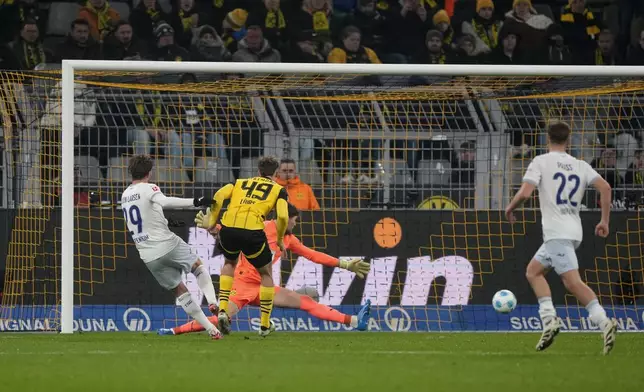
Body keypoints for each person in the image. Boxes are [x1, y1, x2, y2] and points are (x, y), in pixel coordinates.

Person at [157, 203, 371, 336]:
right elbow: (232, 231)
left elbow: (313, 255)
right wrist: (214, 227)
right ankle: (175, 330)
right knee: (222, 317)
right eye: (294, 221)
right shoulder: (259, 226)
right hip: (241, 285)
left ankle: (354, 321)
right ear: (284, 219)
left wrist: (345, 265)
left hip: (263, 287)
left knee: (306, 301)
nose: (295, 225)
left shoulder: (288, 239)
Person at [504, 122, 617, 355]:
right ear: (568, 140)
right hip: (573, 231)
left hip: (557, 232)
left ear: (547, 138)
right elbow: (605, 188)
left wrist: (510, 208)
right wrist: (604, 220)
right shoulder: (580, 165)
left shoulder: (541, 161)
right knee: (533, 271)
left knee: (571, 282)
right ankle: (549, 320)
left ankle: (604, 321)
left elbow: (525, 192)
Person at [120, 155, 222, 340]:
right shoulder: (149, 188)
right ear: (149, 172)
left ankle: (212, 330)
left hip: (148, 255)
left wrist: (167, 221)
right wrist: (196, 201)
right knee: (198, 267)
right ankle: (213, 302)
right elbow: (164, 202)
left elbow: (145, 215)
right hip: (167, 243)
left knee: (179, 290)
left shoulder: (125, 195)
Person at [205, 156, 289, 337]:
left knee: (229, 263)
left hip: (229, 229)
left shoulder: (239, 183)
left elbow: (219, 195)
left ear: (258, 171)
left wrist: (212, 221)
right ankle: (265, 325)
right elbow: (282, 217)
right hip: (253, 232)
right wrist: (280, 239)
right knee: (265, 273)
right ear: (275, 174)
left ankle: (222, 310)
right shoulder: (279, 189)